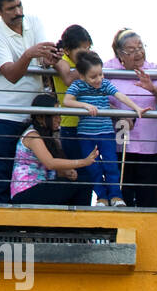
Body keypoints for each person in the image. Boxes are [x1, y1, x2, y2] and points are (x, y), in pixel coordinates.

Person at [0, 0, 56, 203]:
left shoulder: (33, 21)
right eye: (11, 9)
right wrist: (28, 55)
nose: (18, 12)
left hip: (33, 114)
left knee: (37, 175)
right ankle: (2, 230)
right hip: (4, 116)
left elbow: (44, 57)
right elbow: (11, 74)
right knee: (3, 176)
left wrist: (52, 57)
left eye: (19, 5)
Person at [63, 49, 148, 206]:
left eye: (101, 74)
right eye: (93, 77)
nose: (99, 79)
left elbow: (120, 96)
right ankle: (101, 197)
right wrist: (84, 105)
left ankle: (116, 196)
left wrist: (136, 108)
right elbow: (67, 101)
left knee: (111, 164)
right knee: (93, 167)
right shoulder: (78, 85)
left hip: (106, 132)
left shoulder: (104, 84)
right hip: (85, 134)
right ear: (82, 76)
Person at [106, 28, 157, 207]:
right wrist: (118, 115)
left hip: (150, 144)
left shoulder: (152, 68)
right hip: (121, 141)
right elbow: (98, 95)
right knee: (122, 196)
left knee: (148, 199)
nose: (138, 53)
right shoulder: (108, 68)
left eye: (140, 47)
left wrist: (152, 89)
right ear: (120, 54)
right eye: (131, 50)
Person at [10, 92, 97, 205]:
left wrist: (66, 173)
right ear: (41, 117)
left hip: (38, 189)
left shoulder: (46, 136)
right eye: (55, 115)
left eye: (59, 115)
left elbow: (48, 168)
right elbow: (50, 163)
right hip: (25, 192)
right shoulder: (33, 135)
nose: (59, 119)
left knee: (80, 182)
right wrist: (83, 162)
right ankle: (79, 222)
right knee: (83, 183)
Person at [49, 24, 94, 198]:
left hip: (89, 124)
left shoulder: (83, 63)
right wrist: (90, 66)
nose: (85, 53)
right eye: (81, 50)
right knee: (75, 175)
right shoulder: (61, 60)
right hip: (70, 127)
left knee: (89, 174)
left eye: (88, 49)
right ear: (67, 49)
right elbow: (67, 78)